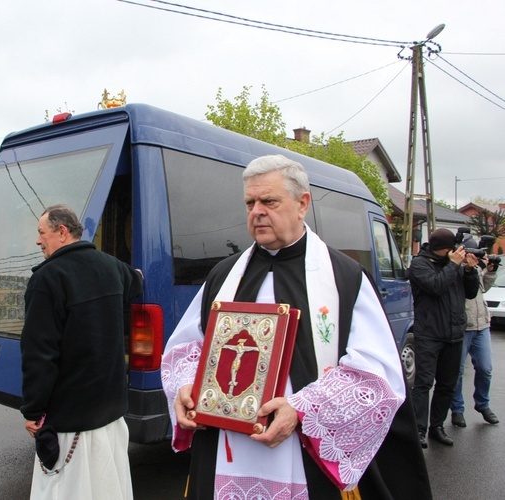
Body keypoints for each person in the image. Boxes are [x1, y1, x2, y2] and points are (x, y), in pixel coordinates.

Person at [162, 154, 431, 499]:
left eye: (269, 201)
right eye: (250, 202)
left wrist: (302, 408)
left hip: (301, 450)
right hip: (225, 447)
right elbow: (187, 346)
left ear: (303, 203)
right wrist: (186, 385)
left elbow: (375, 371)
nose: (257, 211)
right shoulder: (224, 275)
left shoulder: (343, 277)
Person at [20, 204, 143, 500]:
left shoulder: (46, 280)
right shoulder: (111, 266)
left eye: (41, 233)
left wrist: (33, 410)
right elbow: (136, 282)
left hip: (71, 418)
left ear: (62, 232)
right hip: (111, 413)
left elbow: (39, 354)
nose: (38, 241)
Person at [408, 228, 479, 447]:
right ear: (445, 249)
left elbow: (471, 293)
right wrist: (454, 265)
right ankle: (418, 429)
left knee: (447, 384)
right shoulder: (419, 264)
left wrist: (469, 271)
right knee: (423, 383)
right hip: (429, 333)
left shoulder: (454, 265)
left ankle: (436, 426)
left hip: (454, 334)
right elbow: (436, 286)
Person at [450, 236, 500, 427]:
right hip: (464, 327)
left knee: (485, 369)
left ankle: (482, 404)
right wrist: (467, 269)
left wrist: (490, 272)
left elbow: (482, 289)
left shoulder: (477, 268)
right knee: (458, 372)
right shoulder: (455, 270)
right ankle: (457, 409)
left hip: (482, 326)